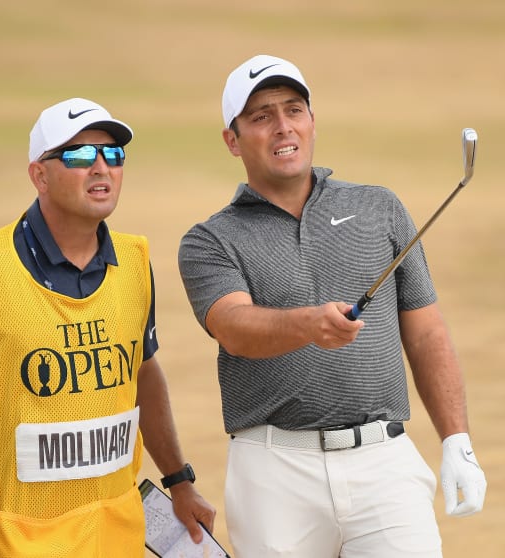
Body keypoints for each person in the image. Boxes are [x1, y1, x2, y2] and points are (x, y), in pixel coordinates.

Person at [0, 97, 216, 557]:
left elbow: (143, 374)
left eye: (112, 154)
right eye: (77, 155)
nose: (100, 167)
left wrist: (179, 481)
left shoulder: (134, 262)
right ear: (39, 175)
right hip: (9, 537)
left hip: (115, 535)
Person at [177, 54, 487, 557]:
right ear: (232, 141)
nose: (283, 127)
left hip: (383, 462)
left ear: (312, 121)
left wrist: (456, 441)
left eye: (294, 110)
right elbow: (233, 325)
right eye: (261, 116)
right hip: (274, 471)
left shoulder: (379, 207)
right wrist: (308, 325)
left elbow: (426, 331)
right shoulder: (211, 239)